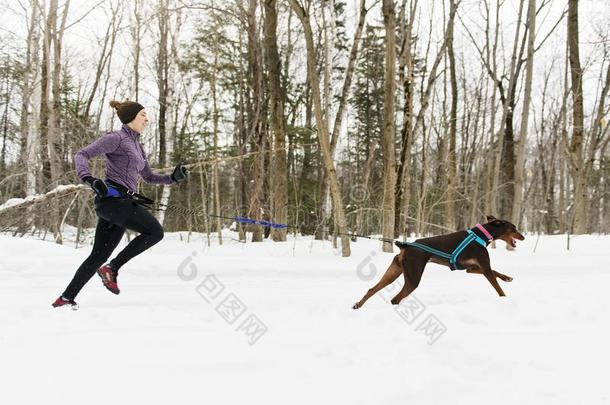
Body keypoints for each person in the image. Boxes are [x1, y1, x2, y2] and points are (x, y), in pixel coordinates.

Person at [52, 100, 187, 309]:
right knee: (155, 232)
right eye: (143, 114)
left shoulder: (138, 147)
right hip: (113, 201)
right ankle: (112, 268)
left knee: (98, 255)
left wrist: (172, 178)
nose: (147, 119)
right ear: (132, 117)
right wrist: (89, 178)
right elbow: (82, 154)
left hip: (120, 205)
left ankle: (66, 298)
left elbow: (149, 177)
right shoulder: (116, 138)